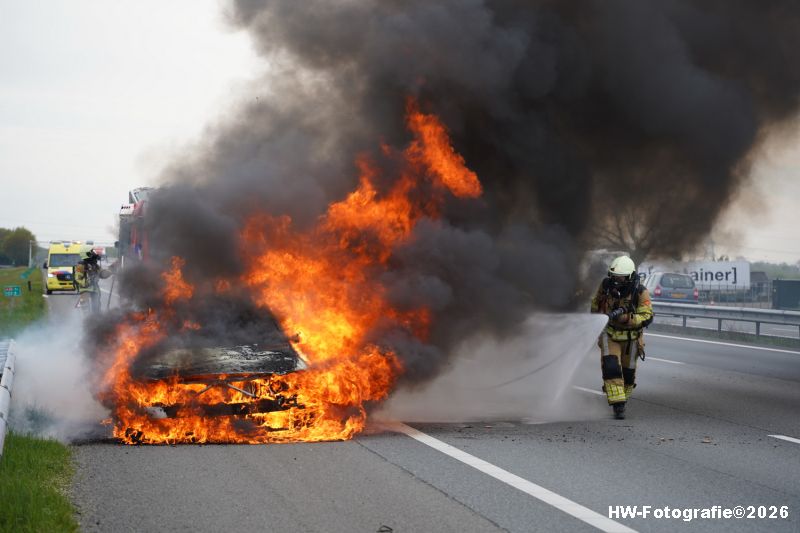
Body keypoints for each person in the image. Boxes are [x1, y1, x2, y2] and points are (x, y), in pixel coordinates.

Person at [590, 256, 654, 419]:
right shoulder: (605, 286)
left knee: (628, 373)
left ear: (630, 276)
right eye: (614, 276)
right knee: (611, 368)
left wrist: (628, 318)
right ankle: (618, 405)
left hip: (632, 339)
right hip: (609, 334)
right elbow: (596, 304)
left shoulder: (640, 291)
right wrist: (596, 319)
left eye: (621, 277)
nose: (617, 280)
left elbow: (647, 316)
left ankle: (622, 398)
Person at [75, 248, 102, 314]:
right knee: (85, 305)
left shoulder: (95, 265)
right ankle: (87, 320)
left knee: (97, 305)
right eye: (91, 252)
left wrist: (109, 272)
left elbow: (101, 273)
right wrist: (85, 283)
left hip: (95, 288)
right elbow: (77, 277)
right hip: (85, 289)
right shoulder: (80, 266)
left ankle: (96, 319)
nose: (93, 254)